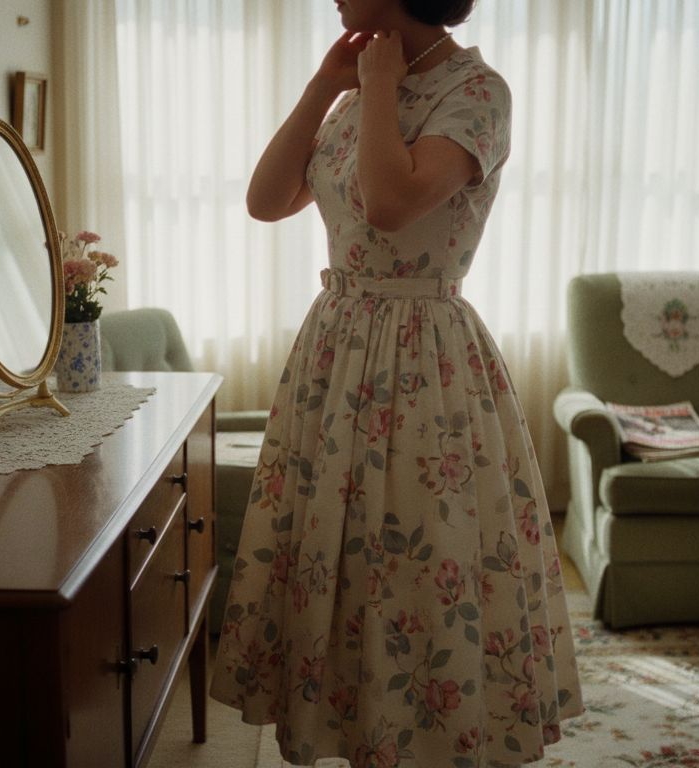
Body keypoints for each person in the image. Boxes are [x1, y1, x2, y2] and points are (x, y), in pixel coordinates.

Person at [210, 2, 583, 766]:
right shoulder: (357, 90)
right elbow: (266, 201)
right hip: (337, 351)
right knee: (337, 563)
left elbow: (389, 204)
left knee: (415, 564)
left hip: (425, 362)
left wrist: (377, 87)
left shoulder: (478, 91)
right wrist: (324, 86)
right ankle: (351, 729)